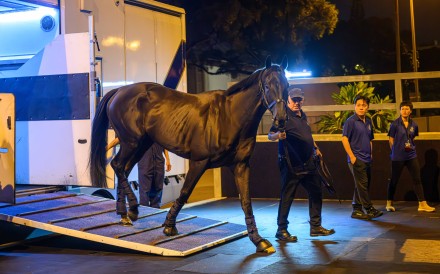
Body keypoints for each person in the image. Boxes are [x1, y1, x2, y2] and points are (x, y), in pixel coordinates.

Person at [268, 87, 335, 242]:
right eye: (294, 100)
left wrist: (315, 147)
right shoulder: (283, 116)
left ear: (302, 100)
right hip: (291, 164)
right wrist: (278, 135)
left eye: (299, 100)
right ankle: (281, 230)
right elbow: (270, 135)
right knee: (287, 196)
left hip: (308, 163)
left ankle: (316, 227)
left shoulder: (303, 116)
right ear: (288, 100)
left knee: (316, 191)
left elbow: (307, 136)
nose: (297, 103)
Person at [386, 101, 435, 212]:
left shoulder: (414, 124)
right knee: (394, 180)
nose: (405, 111)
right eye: (403, 108)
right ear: (400, 110)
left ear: (411, 111)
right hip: (397, 157)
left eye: (407, 109)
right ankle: (389, 203)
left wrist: (409, 146)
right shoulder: (394, 124)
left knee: (417, 179)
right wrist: (395, 150)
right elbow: (391, 140)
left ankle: (422, 204)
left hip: (411, 155)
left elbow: (413, 138)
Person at [342, 95, 382, 220]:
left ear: (367, 107)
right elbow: (344, 139)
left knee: (361, 185)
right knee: (362, 184)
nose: (361, 107)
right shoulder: (350, 121)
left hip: (367, 158)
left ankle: (357, 210)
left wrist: (371, 153)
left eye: (364, 105)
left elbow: (370, 139)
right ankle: (369, 209)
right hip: (356, 158)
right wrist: (352, 157)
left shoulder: (369, 121)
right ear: (354, 107)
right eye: (358, 105)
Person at [138, 143, 172, 208]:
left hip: (159, 161)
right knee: (144, 190)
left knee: (158, 188)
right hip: (145, 162)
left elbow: (164, 144)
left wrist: (168, 160)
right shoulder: (141, 132)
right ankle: (144, 211)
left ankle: (155, 211)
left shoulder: (161, 132)